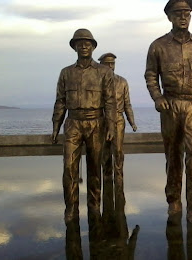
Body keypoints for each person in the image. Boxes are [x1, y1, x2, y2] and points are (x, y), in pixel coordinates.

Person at [145, 0, 192, 225]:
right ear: (169, 17)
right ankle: (173, 200)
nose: (183, 17)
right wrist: (157, 97)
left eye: (186, 13)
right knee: (173, 156)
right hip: (171, 106)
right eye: (178, 13)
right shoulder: (158, 46)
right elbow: (150, 75)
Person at [51, 28, 116, 224]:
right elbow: (60, 101)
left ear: (94, 46)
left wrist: (111, 126)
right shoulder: (66, 73)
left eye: (88, 42)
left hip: (97, 122)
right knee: (69, 167)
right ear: (74, 47)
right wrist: (56, 126)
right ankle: (71, 208)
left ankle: (94, 205)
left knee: (95, 167)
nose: (84, 45)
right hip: (73, 123)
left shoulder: (104, 72)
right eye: (80, 42)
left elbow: (111, 101)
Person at [99, 52, 137, 199]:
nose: (110, 66)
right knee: (104, 152)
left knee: (118, 150)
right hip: (101, 120)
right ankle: (107, 176)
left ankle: (119, 178)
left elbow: (127, 104)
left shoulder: (122, 82)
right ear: (101, 64)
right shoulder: (97, 82)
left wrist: (132, 121)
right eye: (107, 63)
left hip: (118, 120)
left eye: (112, 64)